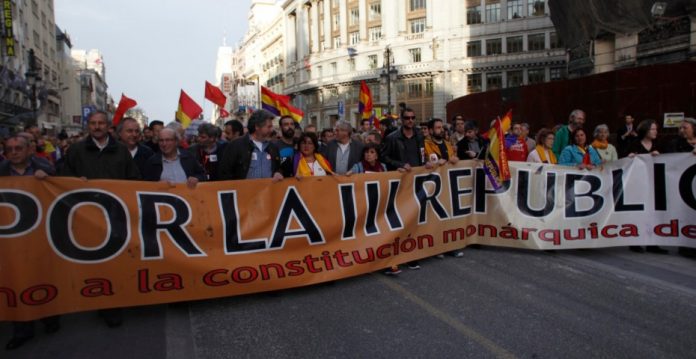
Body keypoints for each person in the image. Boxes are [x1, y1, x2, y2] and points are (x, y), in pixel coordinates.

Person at [60, 110, 139, 328]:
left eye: (101, 123)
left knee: (114, 261)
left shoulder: (121, 150)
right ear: (88, 126)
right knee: (94, 262)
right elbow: (63, 178)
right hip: (87, 216)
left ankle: (112, 305)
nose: (97, 127)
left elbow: (134, 179)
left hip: (116, 215)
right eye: (93, 123)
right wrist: (75, 181)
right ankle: (97, 299)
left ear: (108, 126)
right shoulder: (76, 150)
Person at [1, 135, 60, 350]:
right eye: (9, 149)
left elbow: (61, 190)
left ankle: (50, 317)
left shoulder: (46, 169)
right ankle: (22, 329)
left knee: (43, 275)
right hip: (11, 240)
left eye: (18, 148)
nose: (14, 152)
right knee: (17, 280)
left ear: (28, 151)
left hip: (41, 234)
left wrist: (48, 179)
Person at [381, 107, 431, 270]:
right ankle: (396, 254)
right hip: (400, 182)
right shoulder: (392, 138)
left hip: (417, 182)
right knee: (400, 219)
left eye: (413, 117)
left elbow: (422, 153)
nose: (410, 120)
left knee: (415, 218)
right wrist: (400, 165)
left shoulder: (419, 135)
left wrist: (426, 163)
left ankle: (411, 254)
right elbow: (384, 156)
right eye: (407, 118)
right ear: (402, 120)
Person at [626, 119, 668, 255]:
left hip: (655, 183)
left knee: (653, 213)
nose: (655, 132)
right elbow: (626, 161)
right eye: (652, 129)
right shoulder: (634, 144)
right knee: (639, 212)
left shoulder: (659, 144)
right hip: (639, 183)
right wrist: (631, 157)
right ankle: (635, 241)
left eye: (656, 129)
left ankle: (653, 242)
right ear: (645, 130)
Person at [218, 109, 284, 181]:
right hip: (243, 191)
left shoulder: (273, 147)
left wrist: (278, 172)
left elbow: (278, 168)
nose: (272, 130)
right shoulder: (236, 145)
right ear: (257, 127)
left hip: (269, 191)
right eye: (269, 127)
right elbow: (225, 173)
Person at [665, 117, 696, 258]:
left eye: (685, 128)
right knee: (684, 213)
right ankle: (686, 246)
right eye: (680, 128)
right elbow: (668, 159)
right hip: (681, 185)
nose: (682, 130)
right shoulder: (675, 143)